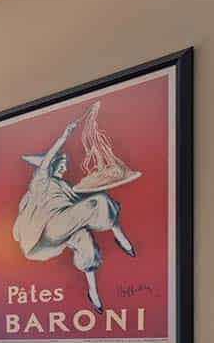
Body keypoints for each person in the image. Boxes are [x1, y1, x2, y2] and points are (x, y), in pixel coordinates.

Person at [13, 115, 136, 313]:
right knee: (99, 201)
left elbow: (79, 205)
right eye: (61, 164)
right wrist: (64, 137)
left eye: (65, 164)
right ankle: (119, 235)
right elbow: (45, 164)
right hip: (53, 226)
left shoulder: (65, 186)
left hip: (66, 227)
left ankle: (93, 292)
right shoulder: (42, 183)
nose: (64, 168)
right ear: (52, 166)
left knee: (86, 241)